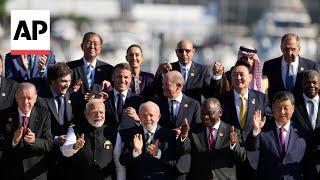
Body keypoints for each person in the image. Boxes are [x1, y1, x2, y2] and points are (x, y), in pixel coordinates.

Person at [219, 60, 271, 180]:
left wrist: (257, 131)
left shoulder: (261, 98)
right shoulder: (222, 100)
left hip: (254, 158)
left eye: (242, 74)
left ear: (251, 77)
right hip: (228, 158)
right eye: (234, 75)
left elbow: (269, 123)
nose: (238, 78)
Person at [177, 98, 246, 180]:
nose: (205, 117)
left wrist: (234, 145)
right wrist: (183, 136)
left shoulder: (232, 131)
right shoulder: (194, 131)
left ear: (220, 112)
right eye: (203, 114)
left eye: (210, 113)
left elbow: (242, 157)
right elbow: (183, 150)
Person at [151, 70, 201, 179]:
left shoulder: (194, 104)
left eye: (166, 84)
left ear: (178, 86)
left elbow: (198, 131)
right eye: (162, 84)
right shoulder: (158, 104)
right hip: (161, 159)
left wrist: (185, 133)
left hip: (183, 163)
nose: (162, 87)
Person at [246, 91, 306, 180]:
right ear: (272, 109)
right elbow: (251, 148)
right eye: (278, 108)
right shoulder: (263, 129)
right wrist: (256, 130)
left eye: (286, 108)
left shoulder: (302, 132)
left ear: (293, 109)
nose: (282, 112)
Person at [0, 82, 53, 180]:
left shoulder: (44, 115)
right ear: (16, 97)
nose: (25, 102)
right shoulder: (4, 115)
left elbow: (49, 144)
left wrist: (34, 141)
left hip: (34, 173)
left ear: (35, 98)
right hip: (11, 172)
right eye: (21, 98)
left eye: (29, 98)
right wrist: (13, 141)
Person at [119, 101, 179, 180]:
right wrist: (136, 151)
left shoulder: (169, 135)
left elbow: (175, 162)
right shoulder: (132, 134)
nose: (147, 118)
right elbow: (122, 161)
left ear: (158, 117)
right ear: (139, 116)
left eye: (151, 115)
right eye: (144, 115)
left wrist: (158, 153)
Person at [61, 99, 117, 180]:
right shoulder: (75, 130)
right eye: (94, 112)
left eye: (101, 112)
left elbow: (118, 163)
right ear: (86, 114)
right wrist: (75, 147)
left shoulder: (112, 132)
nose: (98, 115)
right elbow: (65, 151)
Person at [67, 32, 114, 123]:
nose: (92, 46)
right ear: (82, 46)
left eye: (96, 43)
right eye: (88, 43)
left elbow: (113, 94)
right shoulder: (70, 67)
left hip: (99, 120)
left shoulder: (108, 69)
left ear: (100, 48)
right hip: (75, 119)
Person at [37, 63, 74, 179]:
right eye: (63, 81)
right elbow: (37, 129)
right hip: (46, 157)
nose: (67, 84)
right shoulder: (40, 100)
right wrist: (56, 139)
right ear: (52, 81)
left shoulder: (72, 96)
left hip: (68, 158)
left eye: (69, 80)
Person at [262, 33, 319, 101]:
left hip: (302, 110)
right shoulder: (269, 66)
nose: (289, 53)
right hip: (276, 109)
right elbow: (264, 91)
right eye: (286, 49)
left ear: (299, 49)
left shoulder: (311, 66)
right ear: (281, 48)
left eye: (293, 49)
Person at [292, 70, 320, 179]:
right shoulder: (293, 104)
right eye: (307, 82)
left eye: (314, 82)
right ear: (302, 84)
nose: (311, 85)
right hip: (299, 161)